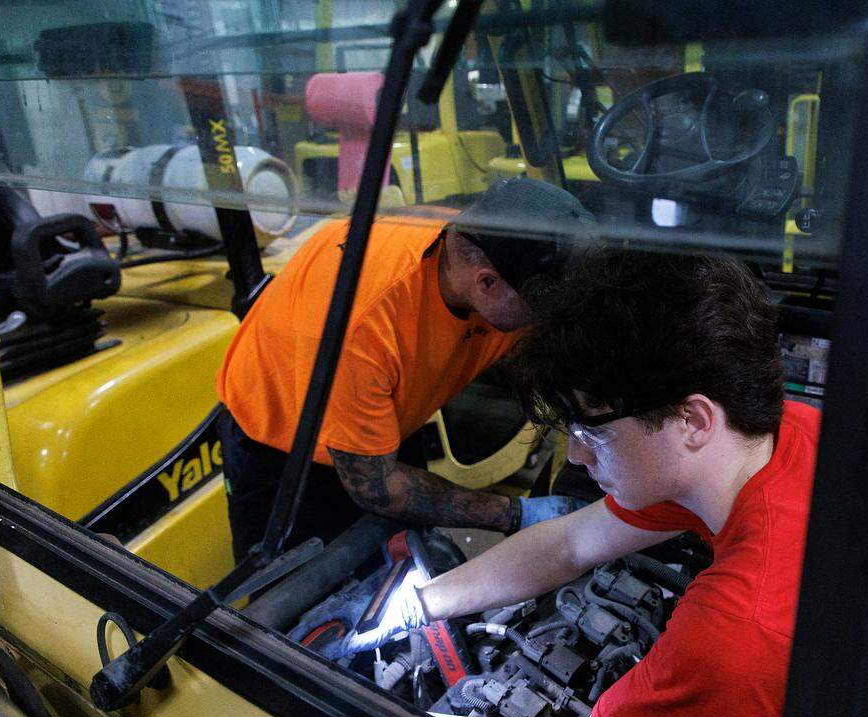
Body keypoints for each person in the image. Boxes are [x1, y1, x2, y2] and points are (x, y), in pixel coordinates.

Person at [342, 248, 821, 717]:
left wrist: (376, 715)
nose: (574, 458)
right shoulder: (769, 436)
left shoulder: (733, 630)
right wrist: (420, 604)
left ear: (691, 420)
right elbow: (570, 543)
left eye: (594, 435)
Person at [216, 178, 592, 563]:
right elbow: (379, 488)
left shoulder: (477, 244)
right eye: (540, 307)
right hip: (287, 455)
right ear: (487, 283)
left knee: (404, 563)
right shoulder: (364, 326)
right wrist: (513, 514)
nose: (546, 318)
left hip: (385, 420)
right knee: (307, 604)